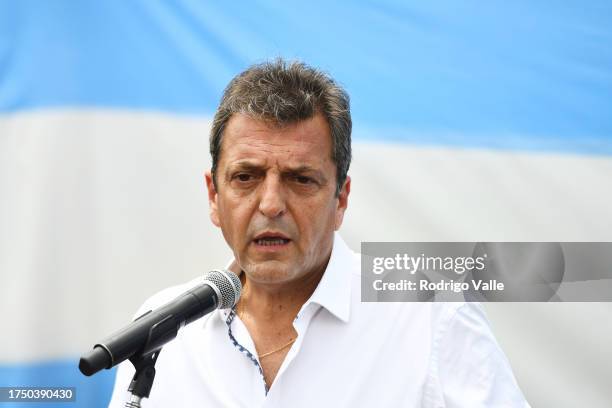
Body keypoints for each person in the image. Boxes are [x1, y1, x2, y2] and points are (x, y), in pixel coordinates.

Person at [109, 59, 529, 407]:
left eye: (300, 179)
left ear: (341, 199)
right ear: (214, 195)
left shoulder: (432, 315)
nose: (271, 204)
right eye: (246, 177)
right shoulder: (164, 328)